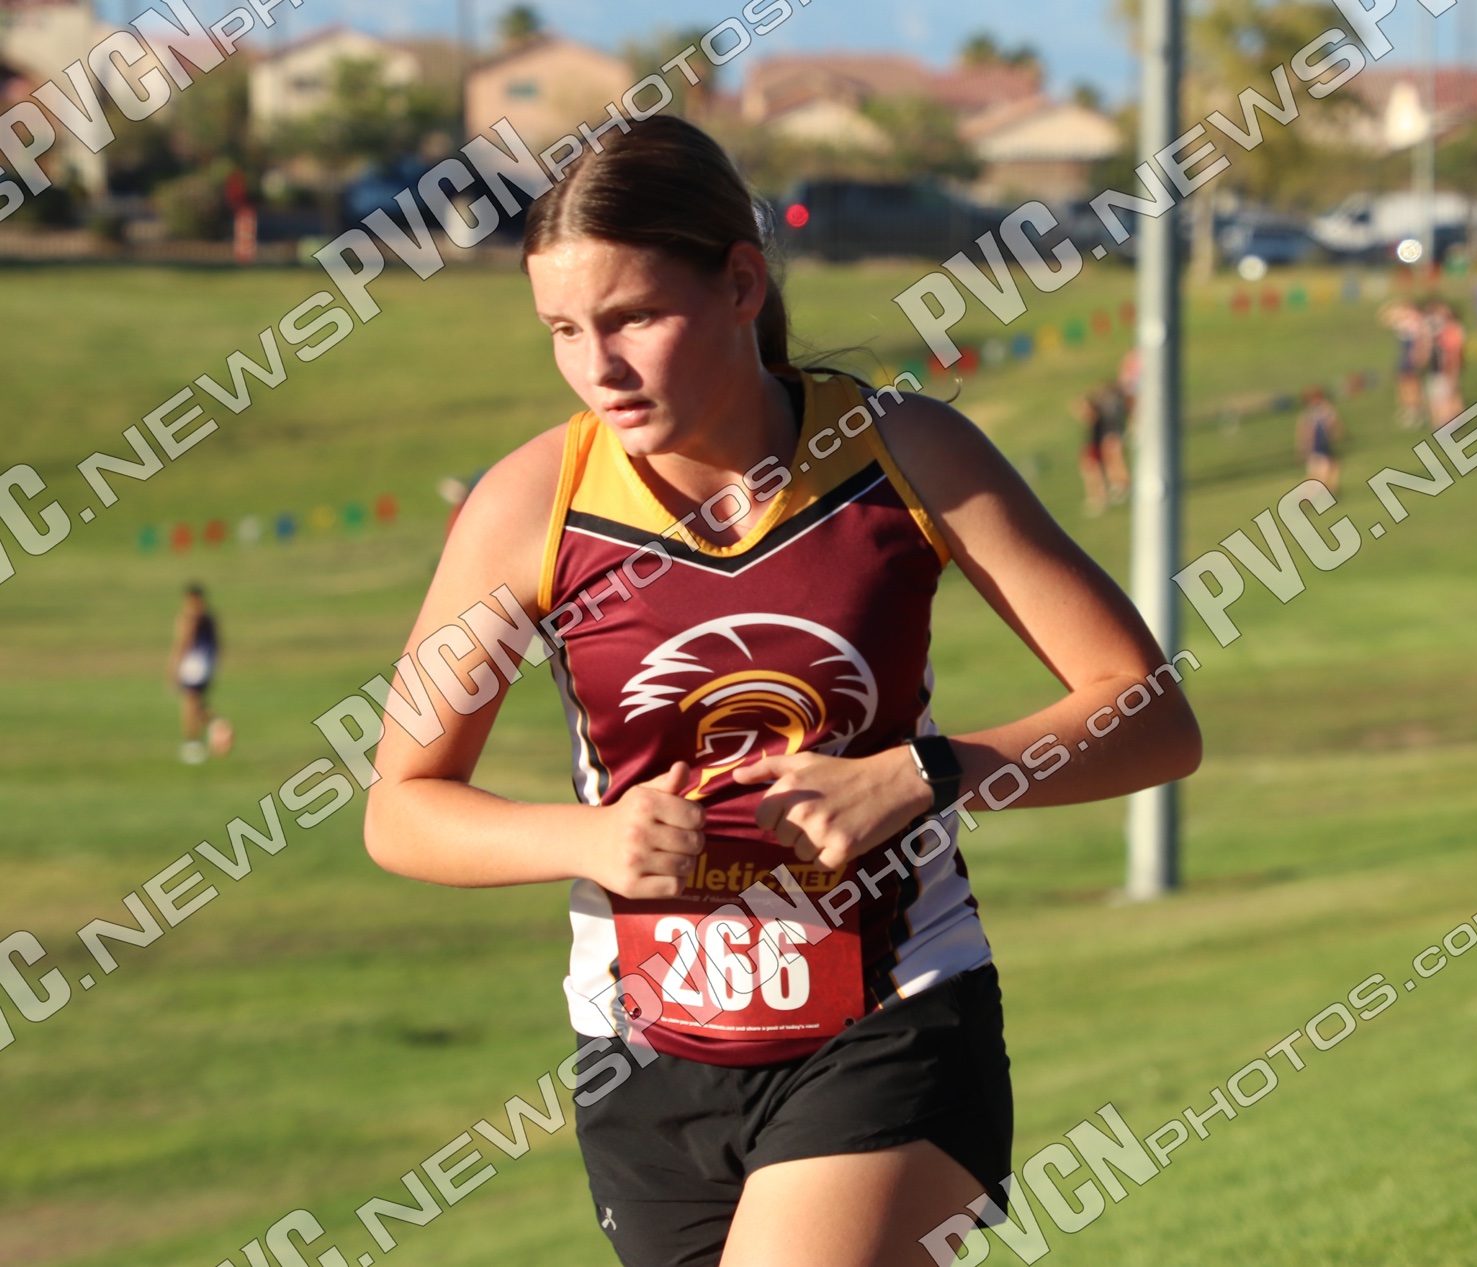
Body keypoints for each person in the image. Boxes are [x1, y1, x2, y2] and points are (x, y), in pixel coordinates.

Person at [359, 116, 1201, 1267]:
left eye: (633, 318)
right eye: (562, 329)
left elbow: (1149, 714)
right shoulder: (528, 506)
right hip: (644, 1053)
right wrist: (589, 838)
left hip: (892, 1011)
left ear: (741, 283)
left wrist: (925, 773)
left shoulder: (906, 454)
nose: (599, 367)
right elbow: (401, 806)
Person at [168, 584, 229, 764]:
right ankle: (217, 725)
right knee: (195, 702)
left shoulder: (191, 618)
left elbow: (183, 643)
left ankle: (192, 743)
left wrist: (173, 668)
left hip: (194, 664)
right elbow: (218, 643)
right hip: (205, 664)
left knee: (190, 703)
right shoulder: (209, 618)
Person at [1076, 380, 1130, 513]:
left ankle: (1118, 488)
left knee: (1114, 462)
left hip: (1109, 436)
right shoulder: (1107, 405)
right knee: (1111, 463)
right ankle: (1115, 489)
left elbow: (1089, 416)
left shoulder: (1108, 406)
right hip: (1105, 437)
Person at [1376, 295, 1428, 428]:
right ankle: (1408, 407)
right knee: (1403, 381)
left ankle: (1415, 410)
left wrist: (1417, 355)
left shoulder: (1416, 320)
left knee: (1410, 382)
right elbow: (1384, 318)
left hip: (1411, 352)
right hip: (1405, 351)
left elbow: (1419, 339)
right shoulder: (1405, 319)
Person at [1422, 299, 1467, 428]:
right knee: (1442, 393)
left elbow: (1454, 352)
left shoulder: (1452, 330)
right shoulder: (1440, 331)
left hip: (1446, 367)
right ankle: (1446, 421)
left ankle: (1447, 422)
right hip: (1438, 367)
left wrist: (1453, 369)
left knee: (1444, 394)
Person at [1296, 386, 1343, 492]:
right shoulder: (1311, 413)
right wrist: (1302, 449)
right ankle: (1306, 495)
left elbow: (1333, 424)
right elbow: (1303, 432)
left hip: (1323, 447)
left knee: (1332, 467)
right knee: (1319, 475)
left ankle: (1330, 489)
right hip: (1316, 448)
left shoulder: (1319, 410)